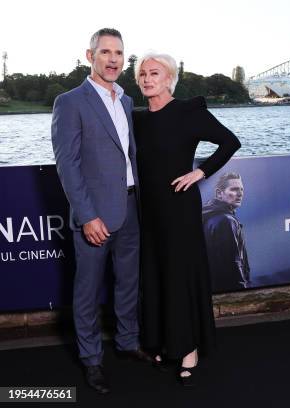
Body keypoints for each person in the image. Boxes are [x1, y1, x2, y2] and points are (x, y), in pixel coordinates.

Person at [51, 28, 151, 395]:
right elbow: (68, 165)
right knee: (88, 290)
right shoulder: (70, 101)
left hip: (130, 206)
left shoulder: (125, 100)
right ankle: (92, 361)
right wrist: (87, 215)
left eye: (119, 53)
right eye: (105, 52)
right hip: (95, 213)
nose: (113, 59)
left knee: (128, 283)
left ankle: (128, 342)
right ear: (89, 55)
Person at [133, 52, 241, 386]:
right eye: (142, 74)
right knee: (156, 274)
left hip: (179, 207)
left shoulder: (188, 112)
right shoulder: (135, 118)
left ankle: (189, 347)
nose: (147, 79)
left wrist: (200, 172)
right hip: (147, 208)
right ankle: (165, 342)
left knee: (180, 275)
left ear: (169, 79)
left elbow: (230, 142)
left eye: (155, 73)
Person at [202, 172, 251, 291]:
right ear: (219, 193)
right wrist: (242, 290)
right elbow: (233, 263)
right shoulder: (226, 221)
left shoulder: (209, 215)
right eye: (234, 189)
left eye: (241, 190)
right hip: (228, 289)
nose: (240, 194)